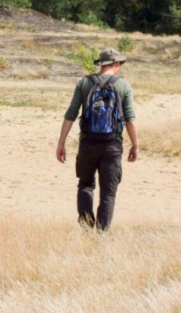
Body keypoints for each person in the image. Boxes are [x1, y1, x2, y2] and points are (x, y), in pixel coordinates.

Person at [56, 47, 138, 232]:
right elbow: (130, 119)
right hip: (112, 145)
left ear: (101, 64)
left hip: (87, 143)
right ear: (116, 64)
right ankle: (101, 233)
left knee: (85, 184)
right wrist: (135, 145)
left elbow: (71, 114)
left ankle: (86, 226)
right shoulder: (123, 85)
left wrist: (61, 143)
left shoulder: (84, 83)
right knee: (108, 192)